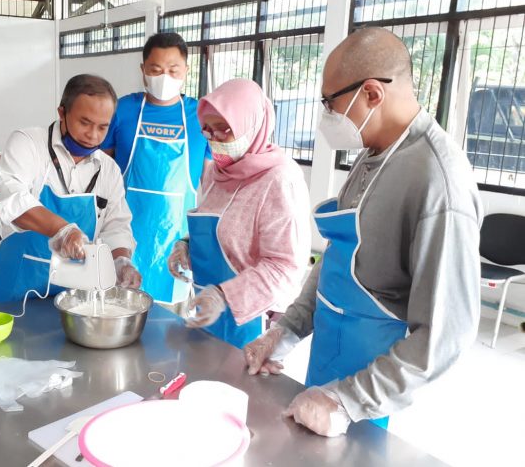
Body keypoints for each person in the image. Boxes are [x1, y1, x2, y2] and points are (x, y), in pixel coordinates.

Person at [244, 28, 483, 437]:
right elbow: (340, 257)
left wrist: (348, 400)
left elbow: (444, 335)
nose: (326, 115)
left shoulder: (438, 181)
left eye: (330, 103)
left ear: (371, 93)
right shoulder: (373, 152)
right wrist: (287, 330)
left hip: (371, 393)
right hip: (327, 365)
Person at [166, 79, 311, 349]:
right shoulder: (216, 173)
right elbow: (221, 230)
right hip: (209, 315)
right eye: (208, 130)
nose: (214, 139)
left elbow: (285, 267)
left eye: (224, 129)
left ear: (251, 124)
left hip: (253, 322)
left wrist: (225, 296)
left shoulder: (279, 181)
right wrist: (186, 245)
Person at [0, 74, 140, 304]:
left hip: (74, 291)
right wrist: (63, 231)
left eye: (103, 127)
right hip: (17, 280)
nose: (93, 135)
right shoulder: (28, 143)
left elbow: (116, 226)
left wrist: (121, 261)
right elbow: (13, 198)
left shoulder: (108, 170)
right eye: (84, 123)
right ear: (62, 113)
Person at [101, 32, 212, 306]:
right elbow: (99, 173)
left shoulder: (201, 117)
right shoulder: (123, 110)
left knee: (169, 321)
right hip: (123, 238)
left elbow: (212, 187)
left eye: (173, 70)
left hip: (177, 244)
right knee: (117, 307)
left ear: (186, 70)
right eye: (156, 70)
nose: (165, 77)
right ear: (143, 70)